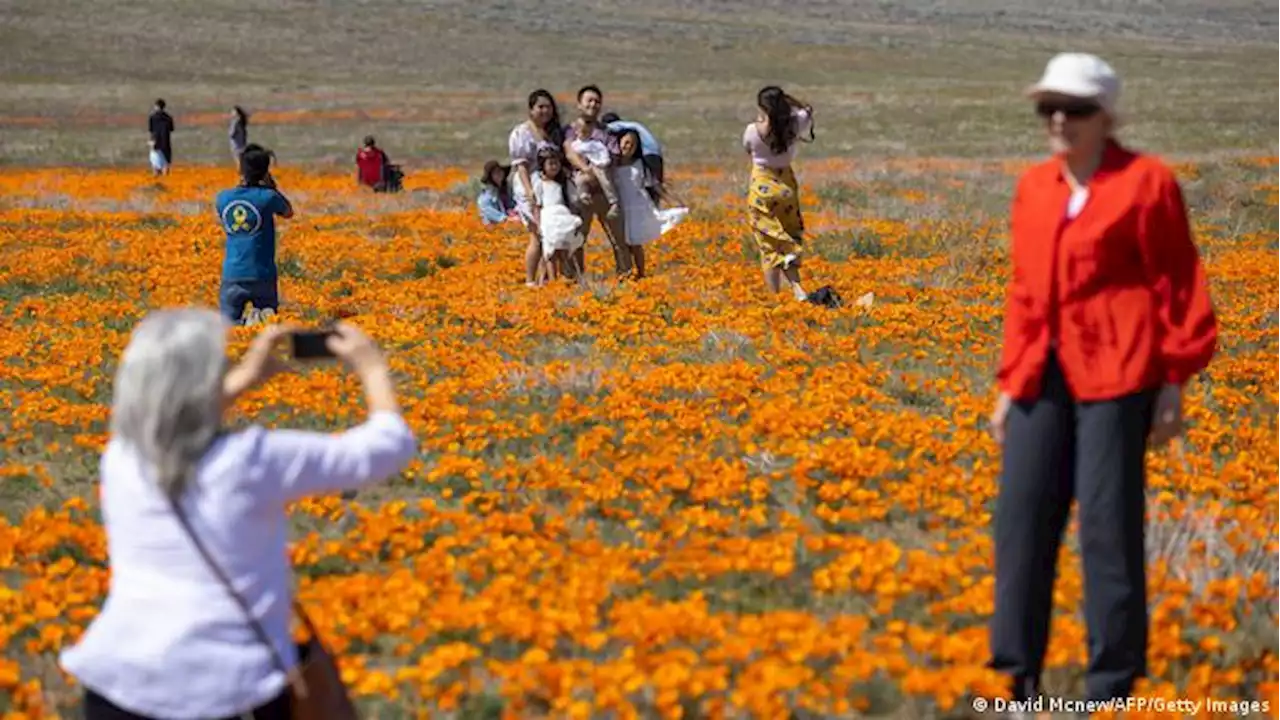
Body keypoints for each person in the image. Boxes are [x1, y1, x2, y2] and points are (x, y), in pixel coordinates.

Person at [988, 53, 1218, 712]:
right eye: (1048, 108)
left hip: (1121, 374)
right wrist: (1009, 385)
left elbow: (1178, 284)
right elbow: (1026, 293)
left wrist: (1174, 381)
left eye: (1076, 109)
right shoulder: (1035, 187)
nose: (1059, 120)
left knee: (1108, 529)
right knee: (1021, 523)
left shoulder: (1146, 183)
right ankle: (1012, 682)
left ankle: (1111, 687)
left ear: (1106, 117)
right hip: (1040, 376)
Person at [58, 310, 417, 720]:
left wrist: (247, 378)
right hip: (226, 687)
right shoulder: (249, 462)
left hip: (118, 681)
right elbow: (387, 447)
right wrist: (370, 366)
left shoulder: (122, 457)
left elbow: (173, 416)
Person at [743, 86, 816, 302]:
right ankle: (797, 288)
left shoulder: (752, 131)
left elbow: (748, 148)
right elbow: (808, 109)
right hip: (786, 185)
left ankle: (775, 297)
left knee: (768, 243)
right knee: (788, 231)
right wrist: (791, 103)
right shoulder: (795, 124)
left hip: (762, 186)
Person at [215, 145, 294, 325]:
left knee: (228, 328)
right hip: (262, 273)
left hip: (232, 273)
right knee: (267, 325)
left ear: (240, 169)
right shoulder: (268, 197)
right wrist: (272, 186)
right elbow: (288, 212)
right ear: (265, 172)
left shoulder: (223, 198)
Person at [562, 85, 630, 278]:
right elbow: (569, 153)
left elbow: (615, 156)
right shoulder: (570, 130)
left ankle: (626, 276)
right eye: (589, 101)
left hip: (604, 194)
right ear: (579, 105)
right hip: (580, 194)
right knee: (576, 238)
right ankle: (574, 279)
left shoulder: (607, 132)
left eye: (597, 101)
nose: (593, 104)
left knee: (618, 239)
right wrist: (587, 169)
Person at [612, 129, 688, 279]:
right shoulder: (612, 164)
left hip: (637, 207)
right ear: (619, 142)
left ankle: (640, 273)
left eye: (633, 144)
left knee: (635, 242)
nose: (628, 146)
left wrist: (673, 200)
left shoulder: (640, 164)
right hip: (621, 207)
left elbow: (654, 185)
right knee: (622, 243)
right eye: (626, 142)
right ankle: (624, 272)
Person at [508, 89, 564, 286]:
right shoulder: (521, 133)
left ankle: (545, 278)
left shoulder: (553, 133)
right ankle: (531, 280)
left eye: (548, 107)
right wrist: (529, 190)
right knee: (537, 234)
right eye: (540, 107)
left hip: (550, 187)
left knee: (549, 233)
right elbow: (520, 165)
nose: (545, 111)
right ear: (531, 109)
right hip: (530, 186)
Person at [532, 149, 584, 283]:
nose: (554, 167)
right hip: (548, 218)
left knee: (564, 248)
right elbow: (537, 206)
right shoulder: (540, 184)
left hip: (562, 217)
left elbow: (572, 201)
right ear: (543, 166)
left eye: (556, 163)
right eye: (550, 164)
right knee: (550, 250)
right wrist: (538, 225)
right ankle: (552, 279)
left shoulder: (564, 183)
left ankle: (565, 275)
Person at [602, 112, 664, 203]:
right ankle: (655, 204)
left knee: (650, 183)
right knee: (655, 183)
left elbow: (607, 128)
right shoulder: (632, 125)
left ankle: (653, 205)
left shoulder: (616, 125)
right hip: (656, 153)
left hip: (649, 153)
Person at [477, 160, 517, 225]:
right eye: (495, 173)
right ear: (490, 177)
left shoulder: (506, 189)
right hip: (494, 229)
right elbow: (486, 209)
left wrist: (513, 211)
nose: (499, 174)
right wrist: (506, 219)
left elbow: (512, 204)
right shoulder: (487, 194)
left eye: (500, 171)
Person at [147, 99, 174, 177]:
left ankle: (157, 183)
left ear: (156, 106)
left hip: (155, 142)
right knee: (165, 164)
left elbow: (151, 130)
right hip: (165, 142)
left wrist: (151, 142)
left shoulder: (152, 117)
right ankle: (166, 182)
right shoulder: (168, 118)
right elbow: (171, 129)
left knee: (155, 164)